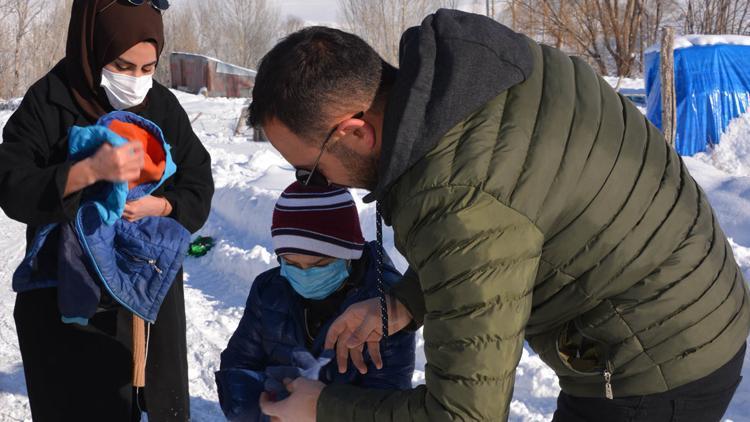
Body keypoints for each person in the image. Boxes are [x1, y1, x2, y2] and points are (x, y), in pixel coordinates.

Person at [247, 9, 749, 422]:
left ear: (356, 132)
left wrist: (325, 407)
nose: (321, 183)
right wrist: (404, 302)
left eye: (309, 168)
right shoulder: (475, 80)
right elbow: (510, 222)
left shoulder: (455, 191)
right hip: (691, 292)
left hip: (659, 361)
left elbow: (464, 415)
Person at [0, 1, 214, 421]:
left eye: (148, 68)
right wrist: (86, 172)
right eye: (122, 65)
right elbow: (11, 186)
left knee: (152, 403)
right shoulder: (49, 101)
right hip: (64, 293)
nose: (136, 81)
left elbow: (198, 181)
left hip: (146, 293)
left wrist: (165, 204)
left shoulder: (163, 107)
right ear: (93, 49)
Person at [215, 181, 415, 421]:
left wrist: (319, 412)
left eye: (320, 264)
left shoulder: (383, 304)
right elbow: (238, 366)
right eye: (291, 263)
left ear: (349, 253)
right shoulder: (269, 289)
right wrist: (265, 412)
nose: (305, 274)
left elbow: (388, 398)